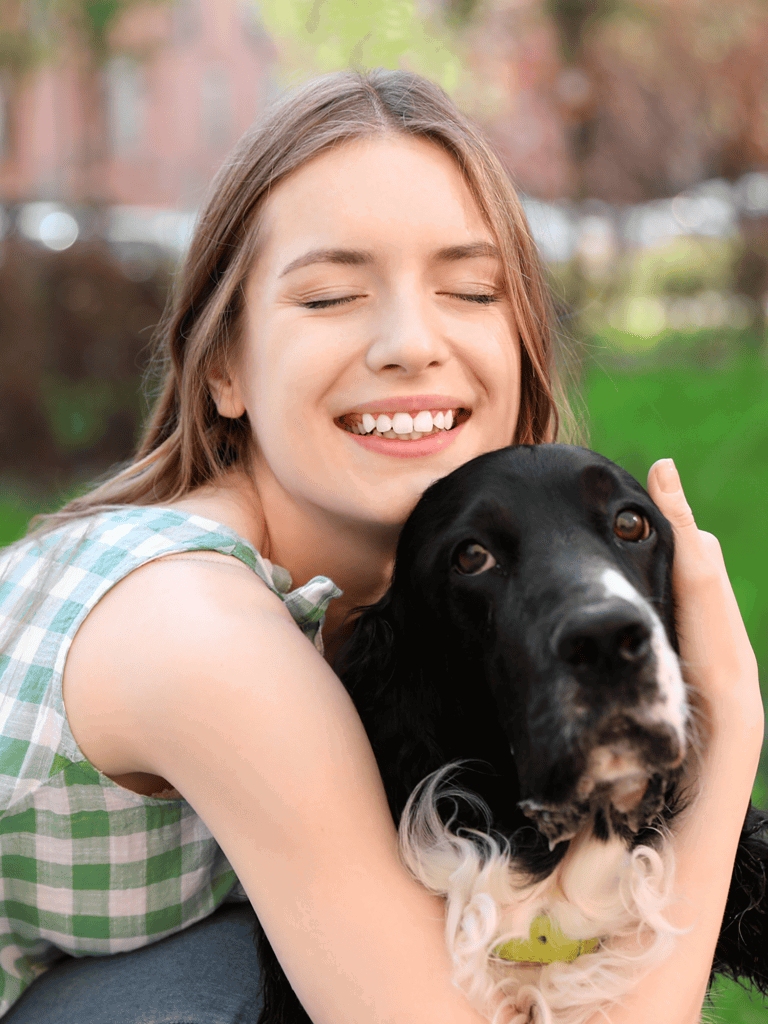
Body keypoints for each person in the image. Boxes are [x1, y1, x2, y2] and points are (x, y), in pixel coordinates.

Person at [0, 69, 762, 1024]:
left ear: (523, 351)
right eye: (329, 297)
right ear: (224, 365)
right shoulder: (195, 629)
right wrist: (724, 736)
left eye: (470, 289)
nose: (411, 341)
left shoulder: (384, 620)